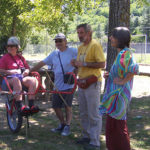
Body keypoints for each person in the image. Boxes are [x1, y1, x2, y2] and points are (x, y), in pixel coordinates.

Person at [99, 27, 139, 150]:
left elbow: (134, 68)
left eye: (113, 36)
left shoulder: (125, 53)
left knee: (118, 130)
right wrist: (110, 76)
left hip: (119, 98)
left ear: (120, 39)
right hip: (115, 98)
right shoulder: (122, 53)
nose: (110, 38)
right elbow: (123, 71)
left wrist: (123, 81)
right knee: (113, 129)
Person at [30, 33, 77, 136]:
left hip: (69, 84)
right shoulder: (54, 54)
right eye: (56, 41)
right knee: (55, 106)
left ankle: (67, 126)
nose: (58, 43)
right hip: (57, 85)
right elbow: (42, 63)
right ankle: (62, 124)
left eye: (60, 40)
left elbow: (82, 61)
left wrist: (77, 70)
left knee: (67, 106)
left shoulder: (73, 51)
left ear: (66, 41)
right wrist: (30, 70)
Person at [71, 23, 105, 150]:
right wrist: (75, 65)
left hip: (92, 83)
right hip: (82, 83)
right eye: (78, 33)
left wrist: (83, 63)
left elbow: (102, 63)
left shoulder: (95, 45)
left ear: (89, 33)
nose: (79, 35)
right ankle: (86, 136)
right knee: (84, 112)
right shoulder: (80, 47)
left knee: (94, 113)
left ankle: (95, 142)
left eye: (82, 33)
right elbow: (81, 65)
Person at [0, 36, 39, 114]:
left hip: (20, 78)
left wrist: (26, 71)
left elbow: (27, 68)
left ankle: (31, 106)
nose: (9, 48)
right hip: (8, 80)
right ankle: (20, 107)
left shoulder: (21, 58)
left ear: (17, 47)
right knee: (16, 80)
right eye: (8, 46)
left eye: (11, 46)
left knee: (32, 80)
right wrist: (12, 72)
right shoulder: (4, 58)